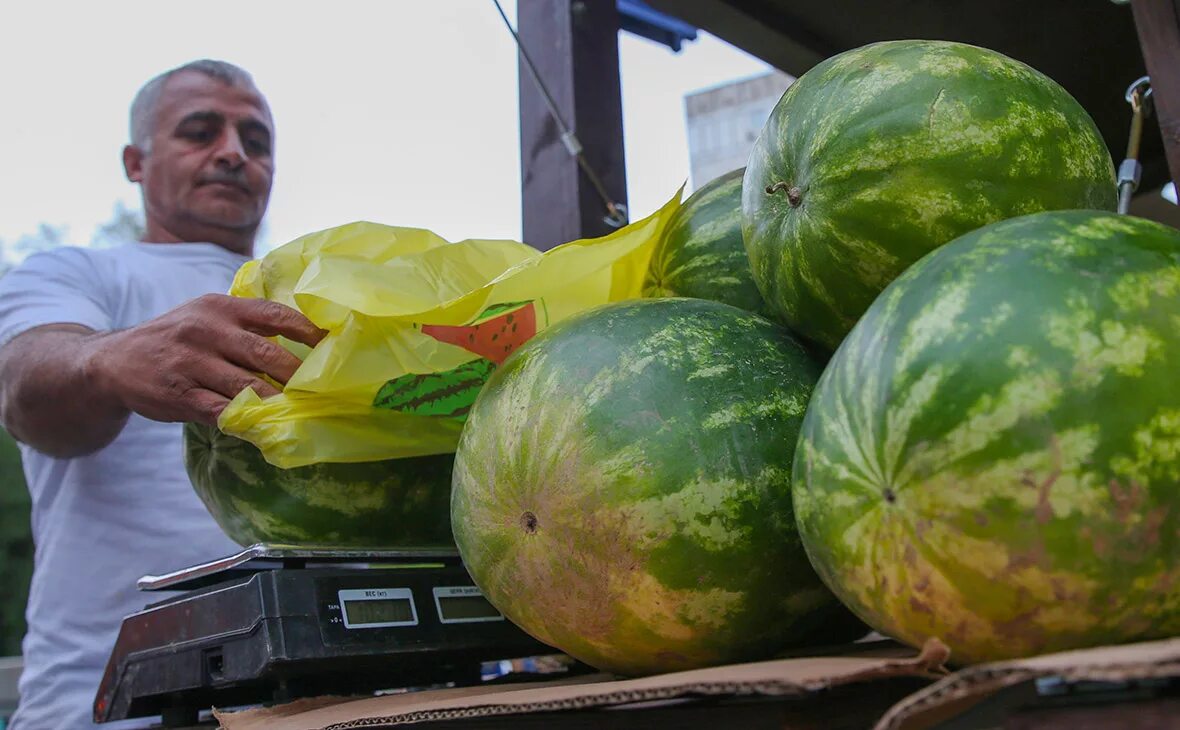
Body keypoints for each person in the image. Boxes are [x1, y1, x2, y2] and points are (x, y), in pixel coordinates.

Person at [0, 59, 325, 729]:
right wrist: (107, 359)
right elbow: (26, 391)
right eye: (200, 132)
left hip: (319, 701)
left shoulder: (317, 290)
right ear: (136, 161)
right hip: (105, 707)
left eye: (255, 141)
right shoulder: (80, 273)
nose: (233, 153)